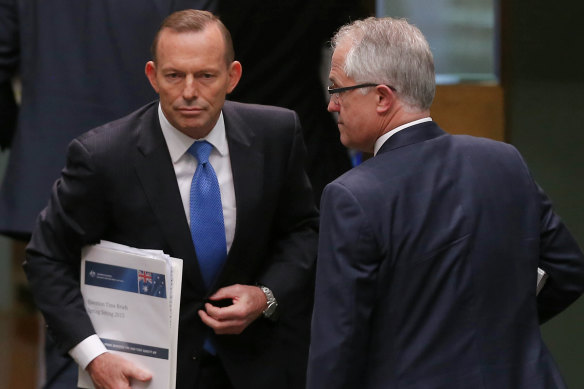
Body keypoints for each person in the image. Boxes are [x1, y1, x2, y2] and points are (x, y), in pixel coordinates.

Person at [24, 9, 318, 389]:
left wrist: (266, 295)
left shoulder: (276, 135)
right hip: (145, 376)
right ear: (152, 76)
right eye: (174, 75)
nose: (190, 92)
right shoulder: (104, 157)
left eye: (206, 76)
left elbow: (304, 230)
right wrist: (93, 355)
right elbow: (47, 257)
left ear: (233, 77)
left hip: (257, 368)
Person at [307, 16, 584, 389]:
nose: (331, 105)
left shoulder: (351, 196)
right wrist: (503, 327)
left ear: (382, 97)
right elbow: (567, 271)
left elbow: (337, 348)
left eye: (338, 89)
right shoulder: (505, 162)